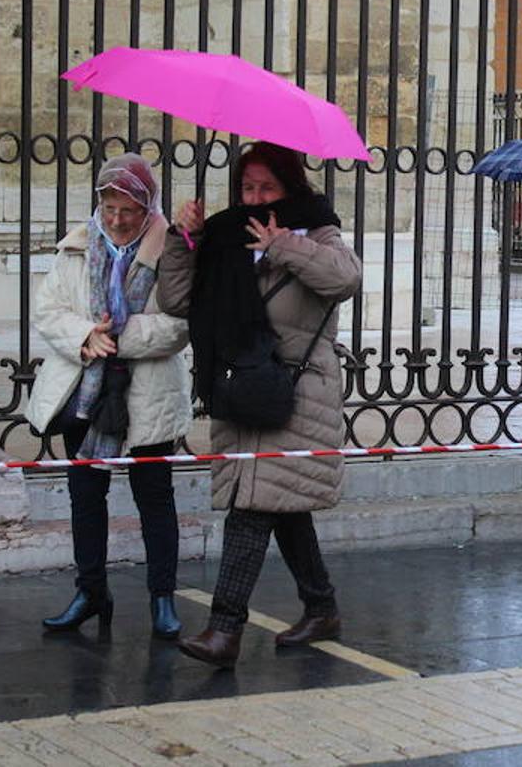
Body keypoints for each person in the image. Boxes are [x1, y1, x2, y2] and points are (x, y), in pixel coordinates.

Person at [158, 142, 362, 668]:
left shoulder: (317, 230)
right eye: (247, 187)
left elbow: (345, 279)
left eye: (266, 187)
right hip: (241, 388)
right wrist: (186, 241)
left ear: (290, 187)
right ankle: (322, 607)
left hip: (295, 394)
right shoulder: (227, 236)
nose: (254, 197)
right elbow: (177, 301)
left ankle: (225, 630)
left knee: (251, 507)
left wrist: (281, 246)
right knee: (280, 505)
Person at [26, 153, 191, 638]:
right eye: (109, 208)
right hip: (86, 390)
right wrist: (85, 335)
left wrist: (118, 337)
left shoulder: (172, 250)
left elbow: (179, 324)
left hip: (147, 394)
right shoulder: (77, 246)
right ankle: (91, 592)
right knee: (86, 496)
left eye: (129, 210)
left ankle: (163, 597)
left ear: (148, 207)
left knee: (154, 497)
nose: (117, 220)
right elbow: (48, 308)